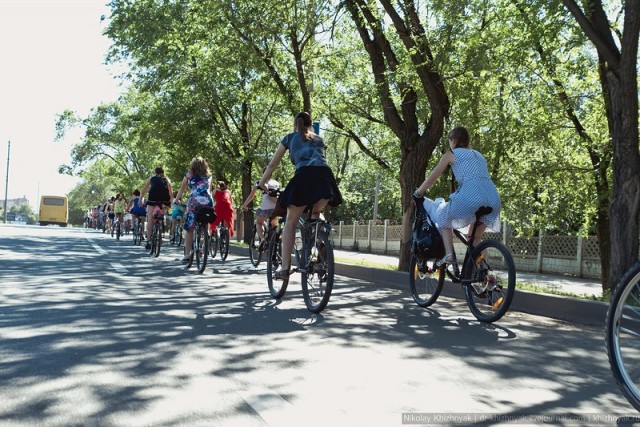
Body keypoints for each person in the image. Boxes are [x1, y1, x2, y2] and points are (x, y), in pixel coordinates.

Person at [258, 111, 343, 279]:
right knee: (316, 213)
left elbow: (272, 164)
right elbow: (319, 160)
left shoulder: (289, 138)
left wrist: (262, 183)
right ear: (310, 123)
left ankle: (284, 268)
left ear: (295, 124)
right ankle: (322, 239)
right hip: (325, 178)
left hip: (304, 176)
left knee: (290, 221)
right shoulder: (319, 139)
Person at [413, 126, 501, 270]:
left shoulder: (451, 154)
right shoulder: (479, 155)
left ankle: (449, 255)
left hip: (471, 196)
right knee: (474, 239)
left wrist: (418, 193)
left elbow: (431, 179)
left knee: (443, 218)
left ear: (453, 140)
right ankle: (486, 274)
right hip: (493, 198)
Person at [173, 157, 214, 262]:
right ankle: (205, 242)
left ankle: (187, 255)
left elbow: (182, 189)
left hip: (194, 201)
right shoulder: (209, 176)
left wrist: (176, 200)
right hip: (207, 201)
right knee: (204, 221)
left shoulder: (188, 175)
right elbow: (208, 190)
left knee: (189, 229)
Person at [140, 167, 173, 249]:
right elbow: (171, 193)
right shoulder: (167, 179)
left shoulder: (151, 178)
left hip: (152, 199)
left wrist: (141, 199)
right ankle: (161, 230)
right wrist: (170, 203)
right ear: (163, 172)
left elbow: (144, 190)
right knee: (161, 215)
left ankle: (148, 241)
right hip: (164, 200)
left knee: (150, 219)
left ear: (155, 172)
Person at [241, 179, 280, 246]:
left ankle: (262, 239)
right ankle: (275, 241)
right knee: (274, 226)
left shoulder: (260, 182)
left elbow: (251, 196)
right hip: (275, 208)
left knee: (259, 223)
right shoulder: (276, 183)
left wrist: (244, 205)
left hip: (264, 209)